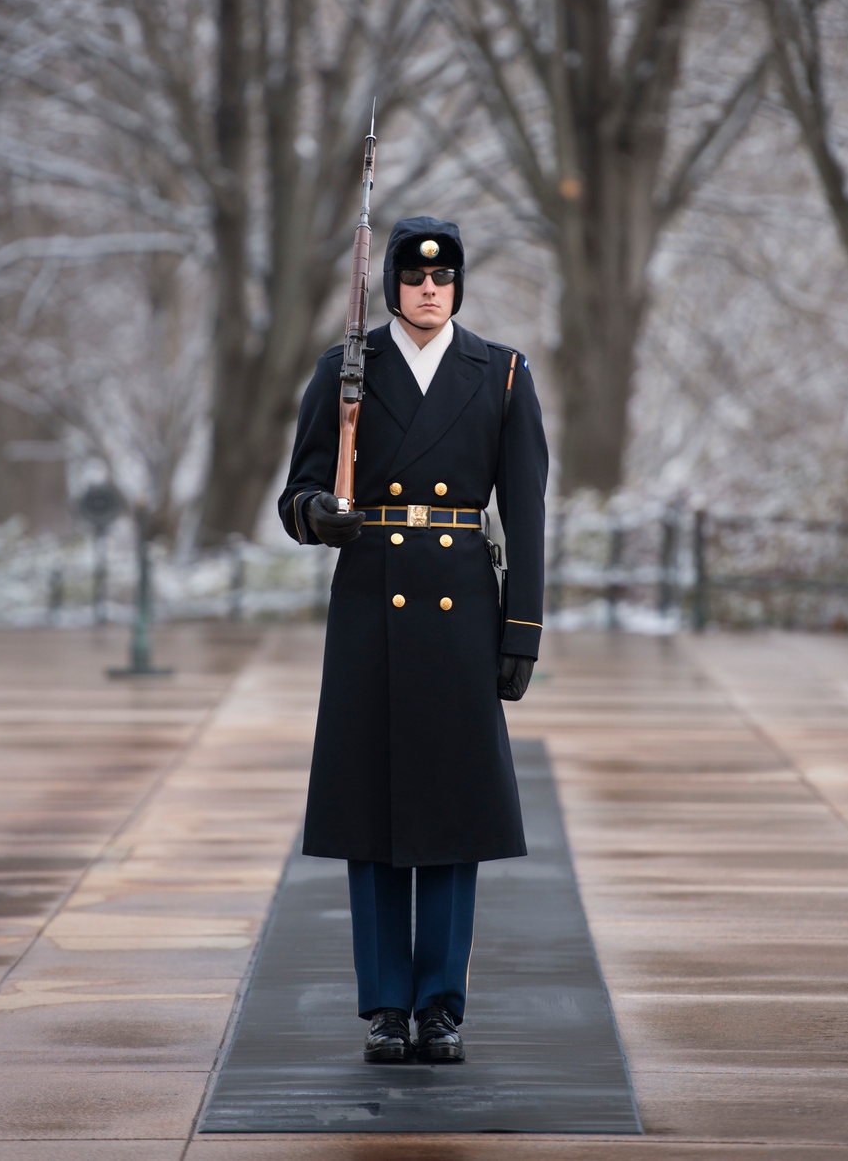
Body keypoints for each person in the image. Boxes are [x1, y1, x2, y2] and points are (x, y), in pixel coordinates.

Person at [278, 215, 547, 1064]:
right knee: (376, 813)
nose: (429, 288)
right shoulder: (345, 371)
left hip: (463, 609)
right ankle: (386, 1005)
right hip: (371, 608)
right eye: (413, 275)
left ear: (459, 284)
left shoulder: (501, 372)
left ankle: (440, 1004)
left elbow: (529, 513)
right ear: (391, 282)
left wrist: (523, 629)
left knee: (455, 813)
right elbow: (300, 491)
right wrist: (316, 515)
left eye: (444, 275)